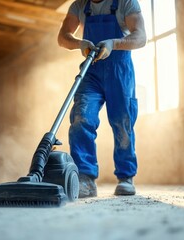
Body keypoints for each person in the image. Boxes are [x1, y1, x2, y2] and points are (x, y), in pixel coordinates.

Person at [57, 0, 146, 198]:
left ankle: (126, 177)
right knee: (81, 118)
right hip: (92, 70)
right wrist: (79, 43)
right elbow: (62, 37)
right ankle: (85, 178)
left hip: (119, 71)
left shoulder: (126, 3)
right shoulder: (79, 6)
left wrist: (113, 43)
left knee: (122, 122)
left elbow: (140, 37)